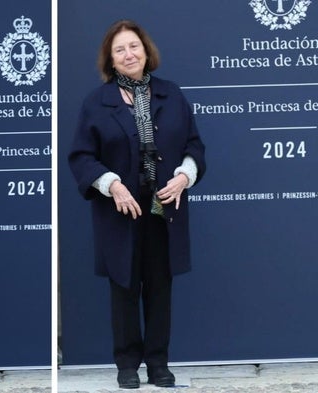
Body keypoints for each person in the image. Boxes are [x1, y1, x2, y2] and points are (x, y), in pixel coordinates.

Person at [68, 19, 206, 389]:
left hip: (164, 209)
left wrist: (183, 177)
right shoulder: (96, 102)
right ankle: (127, 364)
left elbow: (194, 146)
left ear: (146, 52)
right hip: (120, 209)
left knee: (160, 287)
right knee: (124, 288)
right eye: (120, 50)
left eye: (134, 47)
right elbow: (82, 157)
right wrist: (111, 185)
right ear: (110, 61)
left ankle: (158, 364)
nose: (129, 54)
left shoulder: (171, 94)